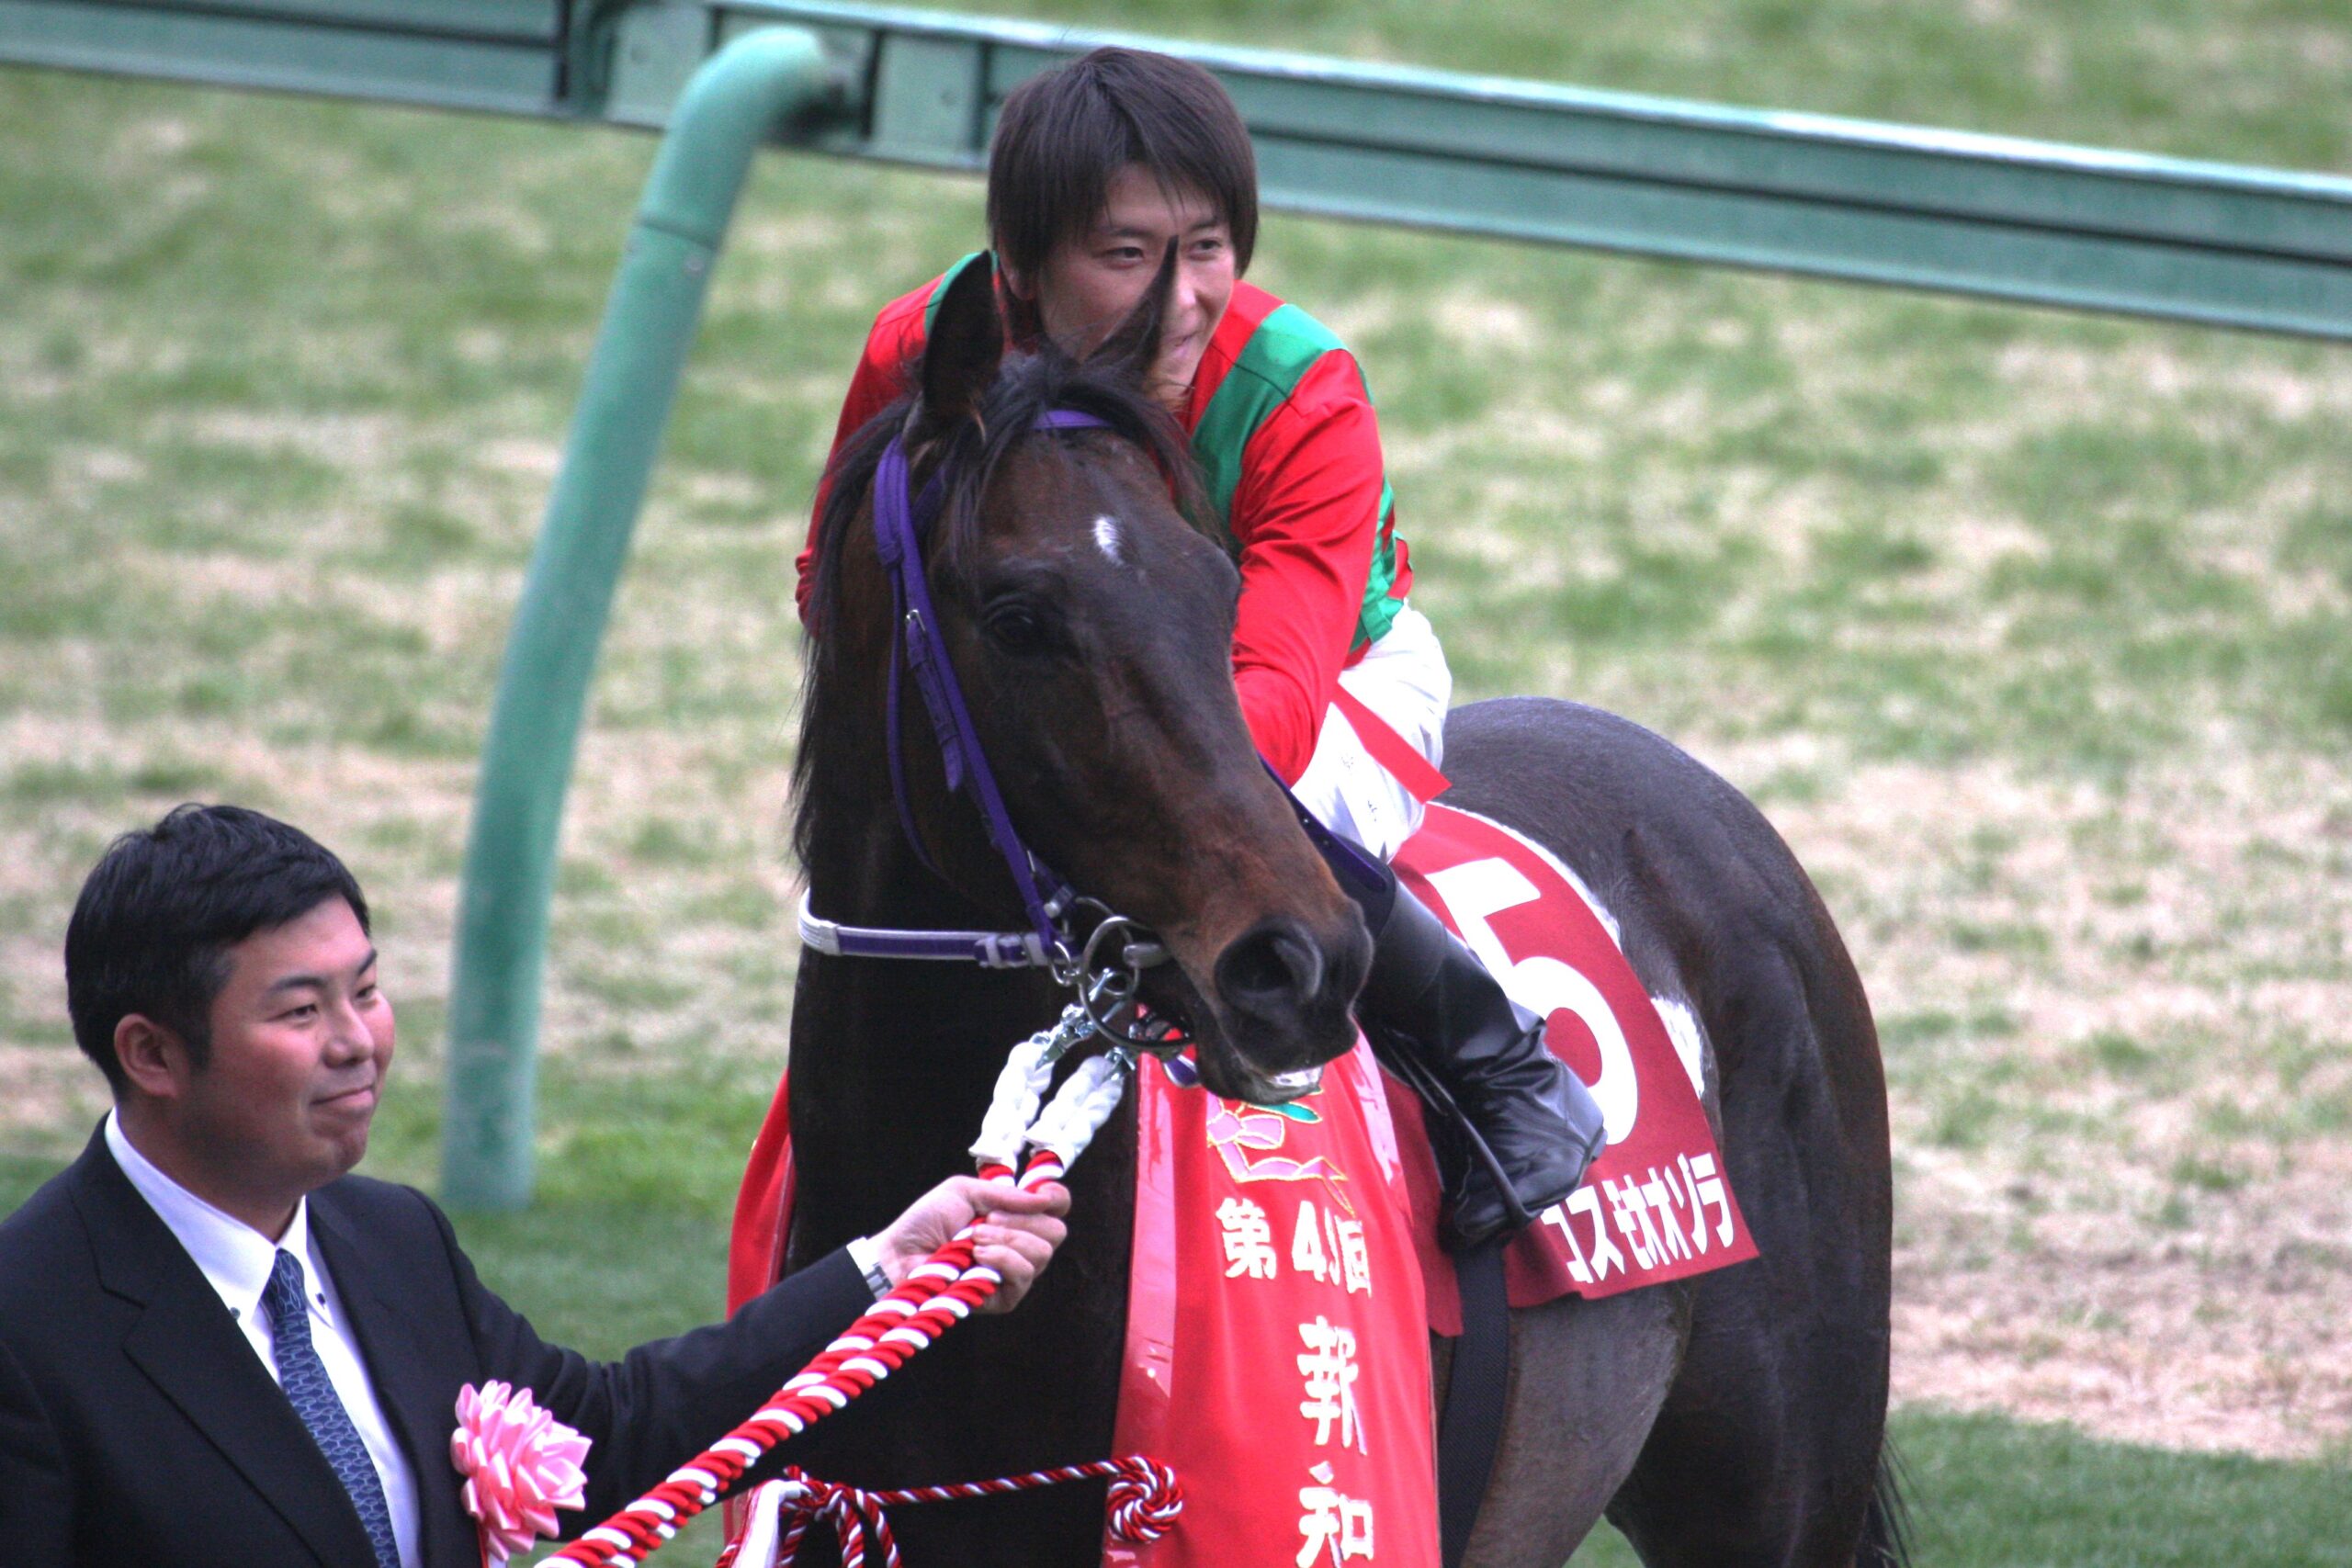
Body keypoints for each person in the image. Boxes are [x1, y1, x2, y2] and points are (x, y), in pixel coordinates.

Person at [790, 47, 1604, 1249]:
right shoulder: (919, 346)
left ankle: (1493, 1054)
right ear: (1019, 267)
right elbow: (840, 582)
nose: (1182, 299)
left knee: (1242, 801)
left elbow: (1267, 701)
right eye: (1126, 255)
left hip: (1319, 677)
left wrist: (1156, 777)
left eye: (1210, 247)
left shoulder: (1302, 392)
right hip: (1088, 670)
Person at [0, 804, 1069, 1568]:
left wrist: (889, 1270)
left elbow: (611, 1438)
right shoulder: (28, 1330)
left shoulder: (390, 1241)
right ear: (150, 1054)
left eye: (366, 992)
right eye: (299, 1012)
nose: (358, 1044)